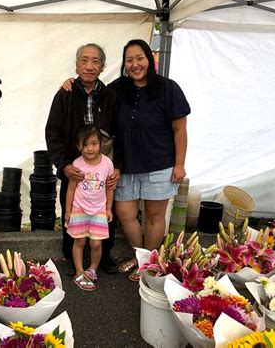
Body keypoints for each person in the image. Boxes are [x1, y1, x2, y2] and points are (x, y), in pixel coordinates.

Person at [61, 39, 190, 281]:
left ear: (149, 60)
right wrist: (71, 83)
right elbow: (91, 89)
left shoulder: (167, 88)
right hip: (125, 166)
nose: (134, 64)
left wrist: (180, 164)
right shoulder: (117, 89)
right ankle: (140, 256)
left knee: (154, 216)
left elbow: (179, 129)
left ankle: (148, 263)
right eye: (129, 60)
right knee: (125, 213)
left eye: (139, 58)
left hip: (159, 163)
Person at [45, 43, 120, 276]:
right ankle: (71, 257)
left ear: (103, 66)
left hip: (102, 167)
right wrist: (64, 164)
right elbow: (53, 132)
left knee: (106, 211)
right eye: (84, 61)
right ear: (76, 65)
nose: (89, 66)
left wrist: (118, 166)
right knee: (70, 212)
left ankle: (104, 255)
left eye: (95, 61)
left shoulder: (110, 96)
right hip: (74, 169)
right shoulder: (64, 94)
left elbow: (121, 132)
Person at [65, 125, 114, 291]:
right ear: (79, 146)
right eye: (85, 145)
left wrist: (108, 209)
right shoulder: (77, 164)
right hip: (79, 209)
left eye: (94, 143)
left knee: (96, 244)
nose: (90, 148)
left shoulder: (107, 164)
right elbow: (71, 189)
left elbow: (109, 187)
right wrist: (67, 211)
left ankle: (92, 269)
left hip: (99, 210)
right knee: (79, 241)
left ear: (101, 144)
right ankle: (79, 271)